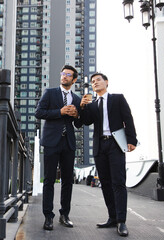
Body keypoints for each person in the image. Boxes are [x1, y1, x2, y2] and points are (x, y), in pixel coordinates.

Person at [80, 72, 137, 237]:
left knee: (118, 183)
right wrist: (83, 107)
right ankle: (112, 217)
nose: (95, 83)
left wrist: (131, 139)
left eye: (98, 80)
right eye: (92, 81)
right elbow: (86, 121)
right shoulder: (92, 105)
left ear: (106, 82)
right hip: (99, 145)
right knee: (104, 183)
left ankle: (121, 221)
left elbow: (128, 118)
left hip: (115, 144)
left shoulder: (118, 98)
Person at [35, 65, 83, 231]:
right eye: (63, 73)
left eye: (68, 75)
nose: (64, 76)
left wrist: (76, 115)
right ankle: (48, 216)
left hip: (68, 143)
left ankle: (65, 215)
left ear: (74, 79)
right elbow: (39, 113)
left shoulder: (77, 99)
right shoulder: (50, 93)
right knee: (49, 180)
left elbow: (78, 124)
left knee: (67, 181)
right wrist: (60, 112)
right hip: (51, 142)